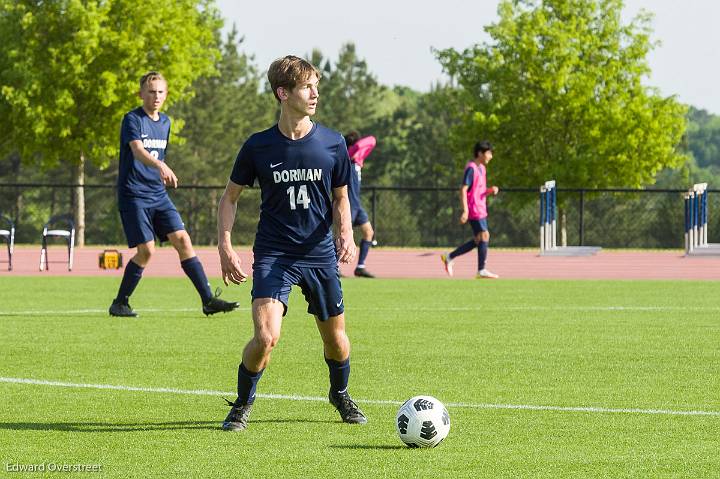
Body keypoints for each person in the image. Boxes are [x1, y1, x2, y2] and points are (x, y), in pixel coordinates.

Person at [217, 55, 367, 431]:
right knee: (266, 337)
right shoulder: (258, 147)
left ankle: (340, 394)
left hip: (319, 255)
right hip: (274, 254)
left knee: (336, 341)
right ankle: (242, 404)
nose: (315, 93)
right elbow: (229, 198)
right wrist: (225, 246)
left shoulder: (333, 143)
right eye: (306, 87)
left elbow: (342, 197)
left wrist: (345, 232)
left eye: (316, 85)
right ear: (283, 93)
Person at [109, 71, 239, 317]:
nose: (156, 96)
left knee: (183, 240)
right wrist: (161, 166)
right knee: (147, 251)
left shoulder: (165, 122)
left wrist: (160, 170)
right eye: (151, 91)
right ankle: (120, 303)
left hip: (158, 194)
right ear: (141, 94)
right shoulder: (132, 120)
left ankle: (208, 300)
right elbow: (137, 151)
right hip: (134, 194)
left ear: (166, 94)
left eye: (160, 92)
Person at [441, 140, 500, 279]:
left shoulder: (482, 169)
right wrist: (465, 210)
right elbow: (463, 189)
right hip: (474, 209)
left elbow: (479, 191)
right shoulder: (471, 168)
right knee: (484, 235)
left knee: (479, 239)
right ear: (480, 153)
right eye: (489, 153)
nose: (490, 156)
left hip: (481, 208)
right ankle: (481, 270)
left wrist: (490, 191)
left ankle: (449, 257)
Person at [344, 131, 377, 278]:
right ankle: (331, 268)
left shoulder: (357, 160)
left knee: (368, 232)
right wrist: (352, 150)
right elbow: (367, 141)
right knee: (341, 237)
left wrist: (358, 151)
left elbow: (372, 140)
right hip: (349, 205)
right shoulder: (347, 159)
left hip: (357, 205)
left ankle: (360, 267)